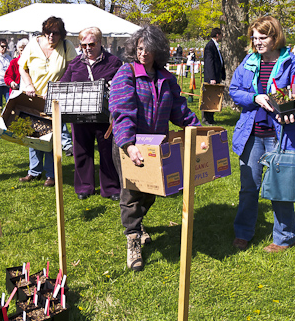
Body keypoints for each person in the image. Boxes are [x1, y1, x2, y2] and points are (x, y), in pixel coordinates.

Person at [110, 25, 200, 271]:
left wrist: (198, 128)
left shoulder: (165, 77)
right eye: (139, 49)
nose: (143, 54)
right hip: (129, 144)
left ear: (158, 51)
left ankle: (137, 225)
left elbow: (178, 109)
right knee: (131, 193)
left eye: (148, 50)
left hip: (156, 146)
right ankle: (132, 240)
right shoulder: (125, 73)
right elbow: (122, 111)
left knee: (153, 191)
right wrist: (128, 144)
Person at [228, 15, 295, 253]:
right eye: (254, 37)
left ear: (275, 37)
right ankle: (243, 233)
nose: (257, 42)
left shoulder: (291, 63)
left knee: (280, 188)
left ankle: (283, 237)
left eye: (262, 37)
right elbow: (234, 90)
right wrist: (255, 97)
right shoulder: (249, 61)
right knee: (248, 188)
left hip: (280, 135)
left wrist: (294, 109)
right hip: (251, 134)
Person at [60, 26, 122, 201]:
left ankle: (110, 188)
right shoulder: (75, 64)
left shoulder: (113, 62)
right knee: (82, 151)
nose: (87, 48)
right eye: (83, 45)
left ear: (100, 42)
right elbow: (64, 85)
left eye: (91, 44)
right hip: (79, 117)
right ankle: (84, 187)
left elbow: (121, 85)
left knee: (108, 152)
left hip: (104, 117)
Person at [19, 17, 77, 187]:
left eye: (56, 33)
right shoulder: (33, 44)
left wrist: (59, 85)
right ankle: (34, 171)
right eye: (48, 32)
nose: (51, 36)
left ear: (61, 34)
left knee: (51, 137)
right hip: (33, 98)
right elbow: (22, 67)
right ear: (43, 31)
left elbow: (74, 68)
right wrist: (29, 84)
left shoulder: (67, 46)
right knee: (34, 135)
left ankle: (51, 173)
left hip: (55, 99)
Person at [202, 27, 225, 125]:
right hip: (211, 77)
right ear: (217, 35)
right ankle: (206, 119)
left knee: (214, 98)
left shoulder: (215, 46)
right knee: (209, 98)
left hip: (216, 76)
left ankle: (211, 118)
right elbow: (209, 62)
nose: (222, 37)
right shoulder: (210, 46)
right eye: (221, 35)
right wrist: (212, 78)